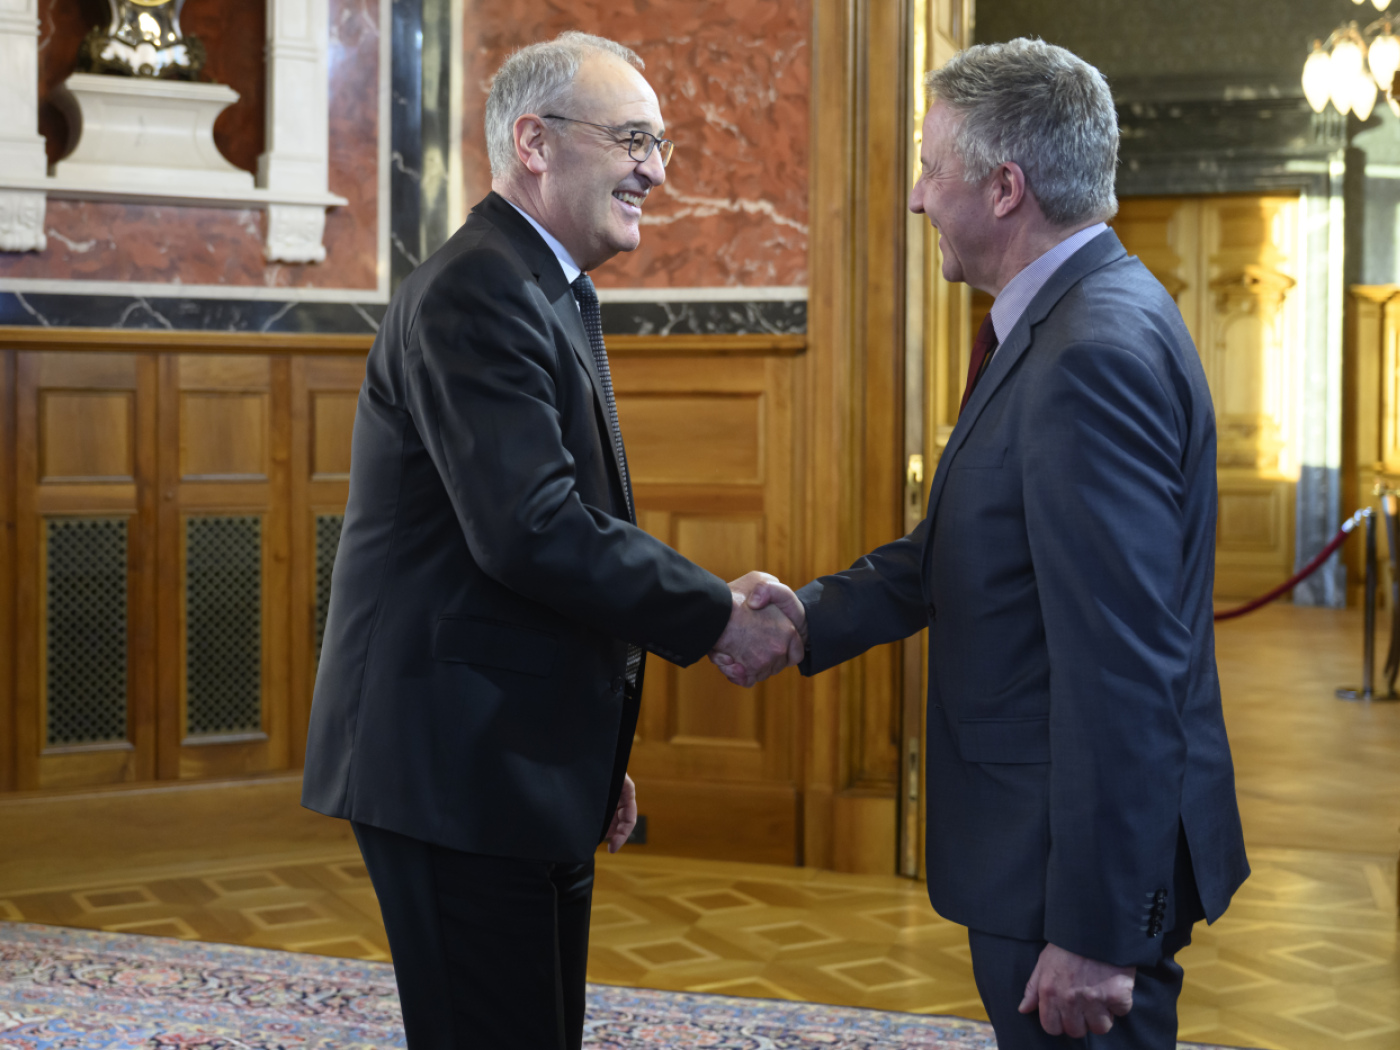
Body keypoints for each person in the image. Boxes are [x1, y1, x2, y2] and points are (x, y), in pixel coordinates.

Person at [714, 38, 1249, 1050]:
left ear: (1004, 188)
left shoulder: (1089, 353)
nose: (916, 199)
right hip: (1041, 849)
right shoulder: (1067, 320)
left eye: (928, 169)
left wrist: (1093, 933)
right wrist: (805, 617)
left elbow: (1123, 666)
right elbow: (965, 547)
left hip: (1062, 870)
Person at [301, 31, 800, 1050]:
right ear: (533, 142)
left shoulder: (542, 283)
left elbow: (556, 535)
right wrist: (713, 615)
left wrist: (585, 748)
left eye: (657, 143)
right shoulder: (479, 288)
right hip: (454, 767)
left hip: (510, 755)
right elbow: (530, 530)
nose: (654, 169)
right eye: (630, 139)